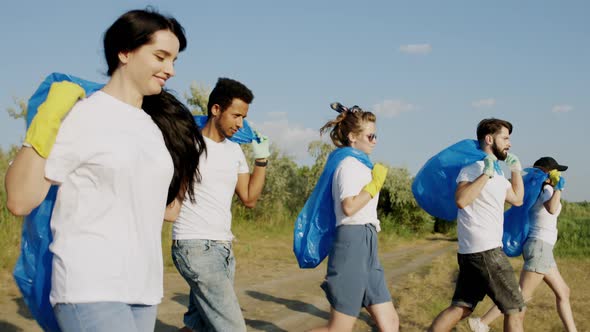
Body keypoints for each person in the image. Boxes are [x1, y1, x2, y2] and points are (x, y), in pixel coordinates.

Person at [5, 8, 206, 331]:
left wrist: (187, 158)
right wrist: (46, 121)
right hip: (90, 286)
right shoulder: (83, 115)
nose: (170, 69)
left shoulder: (152, 128)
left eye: (174, 60)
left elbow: (168, 211)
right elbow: (20, 199)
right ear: (124, 52)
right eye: (161, 56)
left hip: (143, 288)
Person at [171, 77, 270, 332]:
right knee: (232, 327)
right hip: (195, 246)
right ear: (216, 109)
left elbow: (249, 198)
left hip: (223, 249)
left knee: (197, 325)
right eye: (236, 115)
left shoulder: (234, 151)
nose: (240, 124)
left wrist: (261, 161)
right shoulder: (190, 145)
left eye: (244, 117)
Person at [428, 118, 526, 332]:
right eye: (505, 138)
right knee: (515, 309)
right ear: (490, 139)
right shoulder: (474, 168)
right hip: (485, 251)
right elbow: (461, 200)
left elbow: (517, 199)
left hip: (476, 252)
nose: (509, 143)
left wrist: (515, 170)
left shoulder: (499, 174)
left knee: (461, 307)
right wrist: (485, 174)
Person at [308, 103, 399, 332]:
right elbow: (349, 207)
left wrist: (372, 182)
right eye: (370, 135)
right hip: (352, 243)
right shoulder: (348, 165)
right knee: (338, 329)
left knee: (390, 323)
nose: (375, 140)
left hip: (368, 243)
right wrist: (375, 184)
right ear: (352, 137)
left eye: (375, 135)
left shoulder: (360, 165)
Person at [468, 157, 577, 332]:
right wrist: (559, 188)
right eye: (556, 171)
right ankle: (482, 322)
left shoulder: (533, 190)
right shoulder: (546, 189)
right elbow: (552, 208)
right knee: (520, 297)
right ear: (548, 172)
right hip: (540, 247)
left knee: (564, 292)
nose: (559, 173)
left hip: (542, 249)